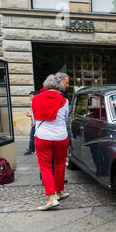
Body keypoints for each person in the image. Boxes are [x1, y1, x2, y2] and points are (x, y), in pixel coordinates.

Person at [32, 73, 70, 210]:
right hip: (61, 137)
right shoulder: (64, 101)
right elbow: (66, 118)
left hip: (43, 137)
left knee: (46, 167)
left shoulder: (35, 99)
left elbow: (34, 119)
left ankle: (51, 198)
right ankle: (59, 191)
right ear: (59, 85)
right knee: (60, 165)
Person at [24, 91, 39, 155]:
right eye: (30, 96)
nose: (30, 98)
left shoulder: (37, 103)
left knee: (32, 137)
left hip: (35, 123)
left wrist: (29, 115)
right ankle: (32, 149)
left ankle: (32, 150)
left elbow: (37, 114)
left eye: (31, 96)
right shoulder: (35, 102)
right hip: (34, 123)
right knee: (33, 137)